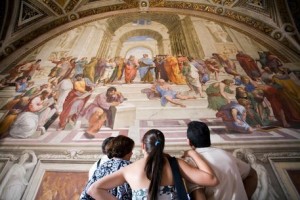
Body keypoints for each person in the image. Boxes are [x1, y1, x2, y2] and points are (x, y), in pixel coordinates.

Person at [87, 129, 219, 200]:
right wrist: (193, 153)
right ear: (162, 146)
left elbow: (93, 189)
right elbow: (212, 180)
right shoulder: (176, 164)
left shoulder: (129, 169)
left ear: (143, 145)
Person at [184, 121, 257, 200]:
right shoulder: (226, 154)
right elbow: (252, 174)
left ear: (189, 142)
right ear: (208, 137)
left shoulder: (191, 162)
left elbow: (198, 195)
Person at [80, 135, 135, 200]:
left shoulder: (102, 166)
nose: (132, 153)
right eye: (131, 150)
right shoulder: (131, 167)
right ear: (127, 151)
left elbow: (86, 193)